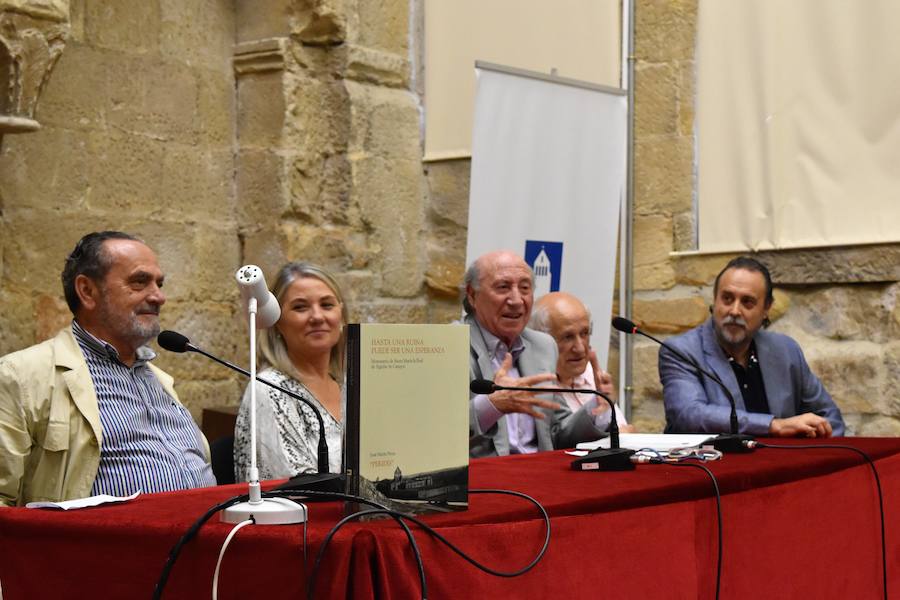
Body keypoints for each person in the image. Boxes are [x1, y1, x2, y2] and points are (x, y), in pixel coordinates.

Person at [0, 231, 215, 507]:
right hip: (105, 548)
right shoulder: (20, 376)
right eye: (140, 282)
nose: (159, 297)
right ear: (87, 291)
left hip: (207, 542)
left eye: (159, 284)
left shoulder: (160, 381)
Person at [660, 256, 845, 437]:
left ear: (766, 309)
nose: (734, 311)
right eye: (727, 298)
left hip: (780, 463)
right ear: (714, 300)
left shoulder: (786, 351)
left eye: (747, 302)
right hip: (712, 465)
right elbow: (689, 416)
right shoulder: (681, 351)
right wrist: (773, 426)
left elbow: (830, 418)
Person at [465, 250, 610, 458]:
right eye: (503, 287)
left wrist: (597, 406)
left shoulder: (543, 346)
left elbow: (557, 432)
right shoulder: (450, 347)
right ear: (472, 295)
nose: (516, 300)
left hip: (539, 476)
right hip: (484, 481)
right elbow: (436, 432)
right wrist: (491, 405)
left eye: (525, 288)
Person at [234, 262, 346, 481]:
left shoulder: (349, 386)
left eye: (327, 305)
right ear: (276, 321)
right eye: (300, 307)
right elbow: (291, 486)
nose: (317, 316)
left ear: (341, 314)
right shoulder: (269, 389)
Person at [530, 292, 635, 433]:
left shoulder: (591, 373)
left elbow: (627, 431)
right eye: (567, 337)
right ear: (541, 340)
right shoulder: (535, 383)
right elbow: (561, 441)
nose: (579, 348)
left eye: (584, 333)